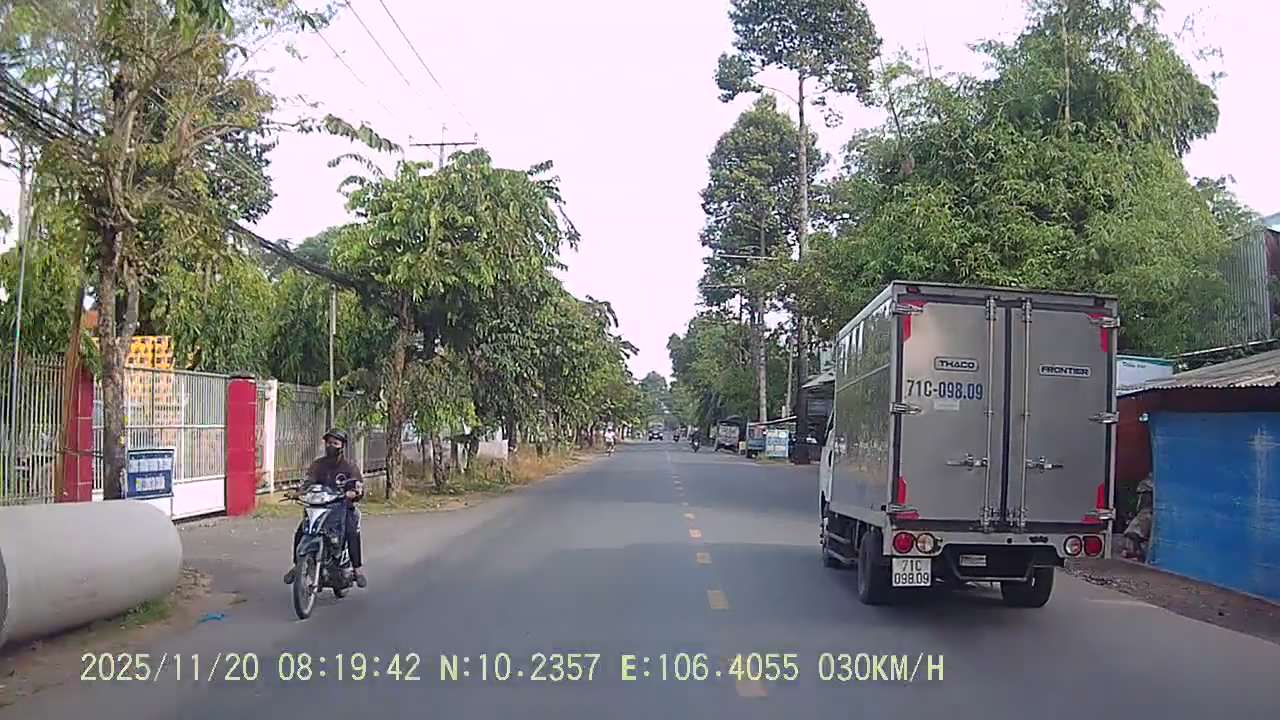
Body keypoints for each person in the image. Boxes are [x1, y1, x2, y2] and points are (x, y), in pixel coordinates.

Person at [283, 429, 367, 588]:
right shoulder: (318, 465)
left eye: (335, 443)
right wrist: (297, 493)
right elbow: (308, 482)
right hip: (319, 508)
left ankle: (357, 569)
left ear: (342, 446)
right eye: (329, 443)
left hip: (342, 508)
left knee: (351, 531)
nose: (331, 446)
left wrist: (354, 493)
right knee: (301, 532)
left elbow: (358, 486)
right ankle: (298, 566)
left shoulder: (349, 467)